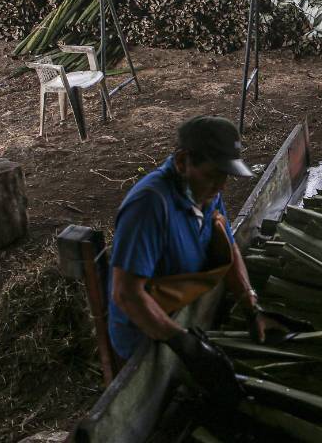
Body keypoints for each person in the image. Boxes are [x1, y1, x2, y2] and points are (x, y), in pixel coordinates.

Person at [109, 116, 287, 403]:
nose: (221, 187)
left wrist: (251, 307)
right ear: (182, 162)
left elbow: (227, 246)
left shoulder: (204, 191)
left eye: (226, 177)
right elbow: (126, 294)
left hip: (186, 313)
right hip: (145, 335)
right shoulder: (149, 206)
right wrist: (184, 344)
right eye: (214, 175)